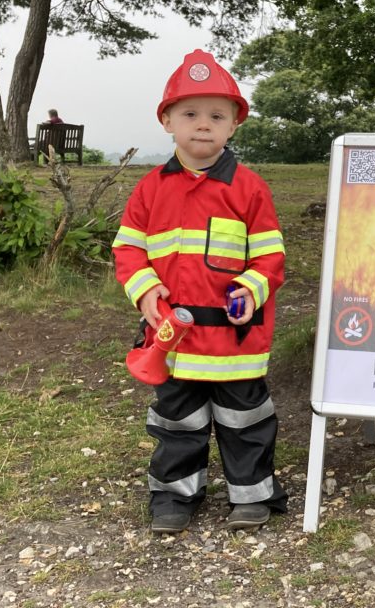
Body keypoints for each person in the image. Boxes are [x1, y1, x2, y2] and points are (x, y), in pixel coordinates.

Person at [112, 49, 288, 534]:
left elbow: (271, 258)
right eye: (190, 114)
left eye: (217, 115)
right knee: (176, 423)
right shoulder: (149, 189)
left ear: (235, 125)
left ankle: (252, 495)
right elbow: (127, 250)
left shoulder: (250, 189)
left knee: (246, 421)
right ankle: (174, 496)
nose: (203, 125)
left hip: (235, 343)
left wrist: (252, 290)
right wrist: (145, 293)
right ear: (168, 120)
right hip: (173, 339)